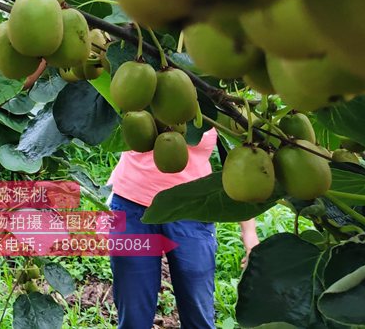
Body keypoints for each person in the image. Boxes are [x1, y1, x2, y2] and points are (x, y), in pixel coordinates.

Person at [107, 127, 259, 328]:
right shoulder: (146, 98)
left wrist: (249, 231)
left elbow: (236, 166)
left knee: (197, 310)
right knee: (133, 316)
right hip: (133, 204)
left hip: (192, 210)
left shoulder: (213, 103)